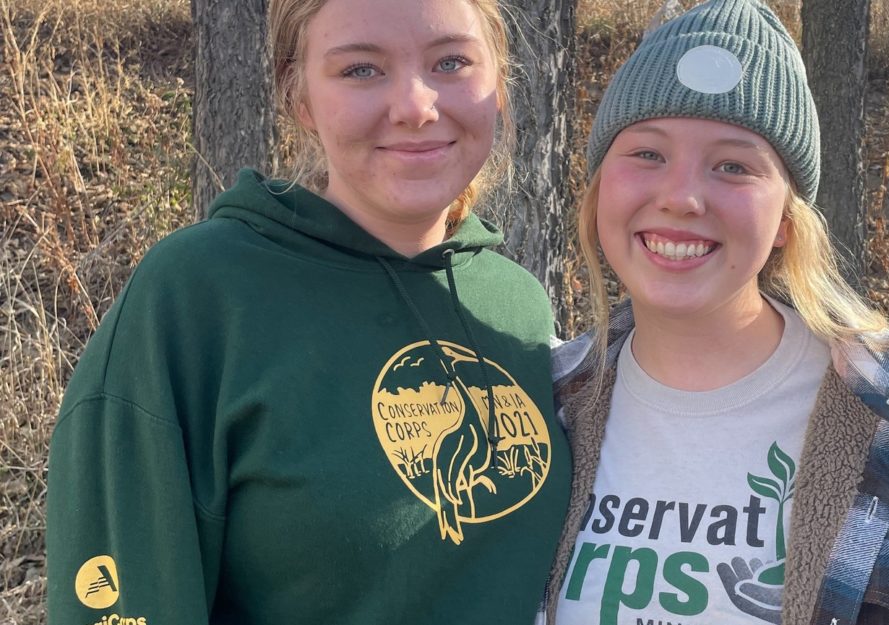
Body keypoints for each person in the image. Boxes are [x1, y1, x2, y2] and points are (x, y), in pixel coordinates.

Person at [542, 1, 889, 624]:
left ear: (784, 219)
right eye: (647, 154)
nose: (682, 197)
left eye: (733, 165)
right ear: (599, 183)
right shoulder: (539, 408)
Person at [46, 1, 571, 623]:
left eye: (451, 61)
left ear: (499, 87)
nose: (416, 105)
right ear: (300, 100)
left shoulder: (516, 306)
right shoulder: (199, 297)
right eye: (360, 71)